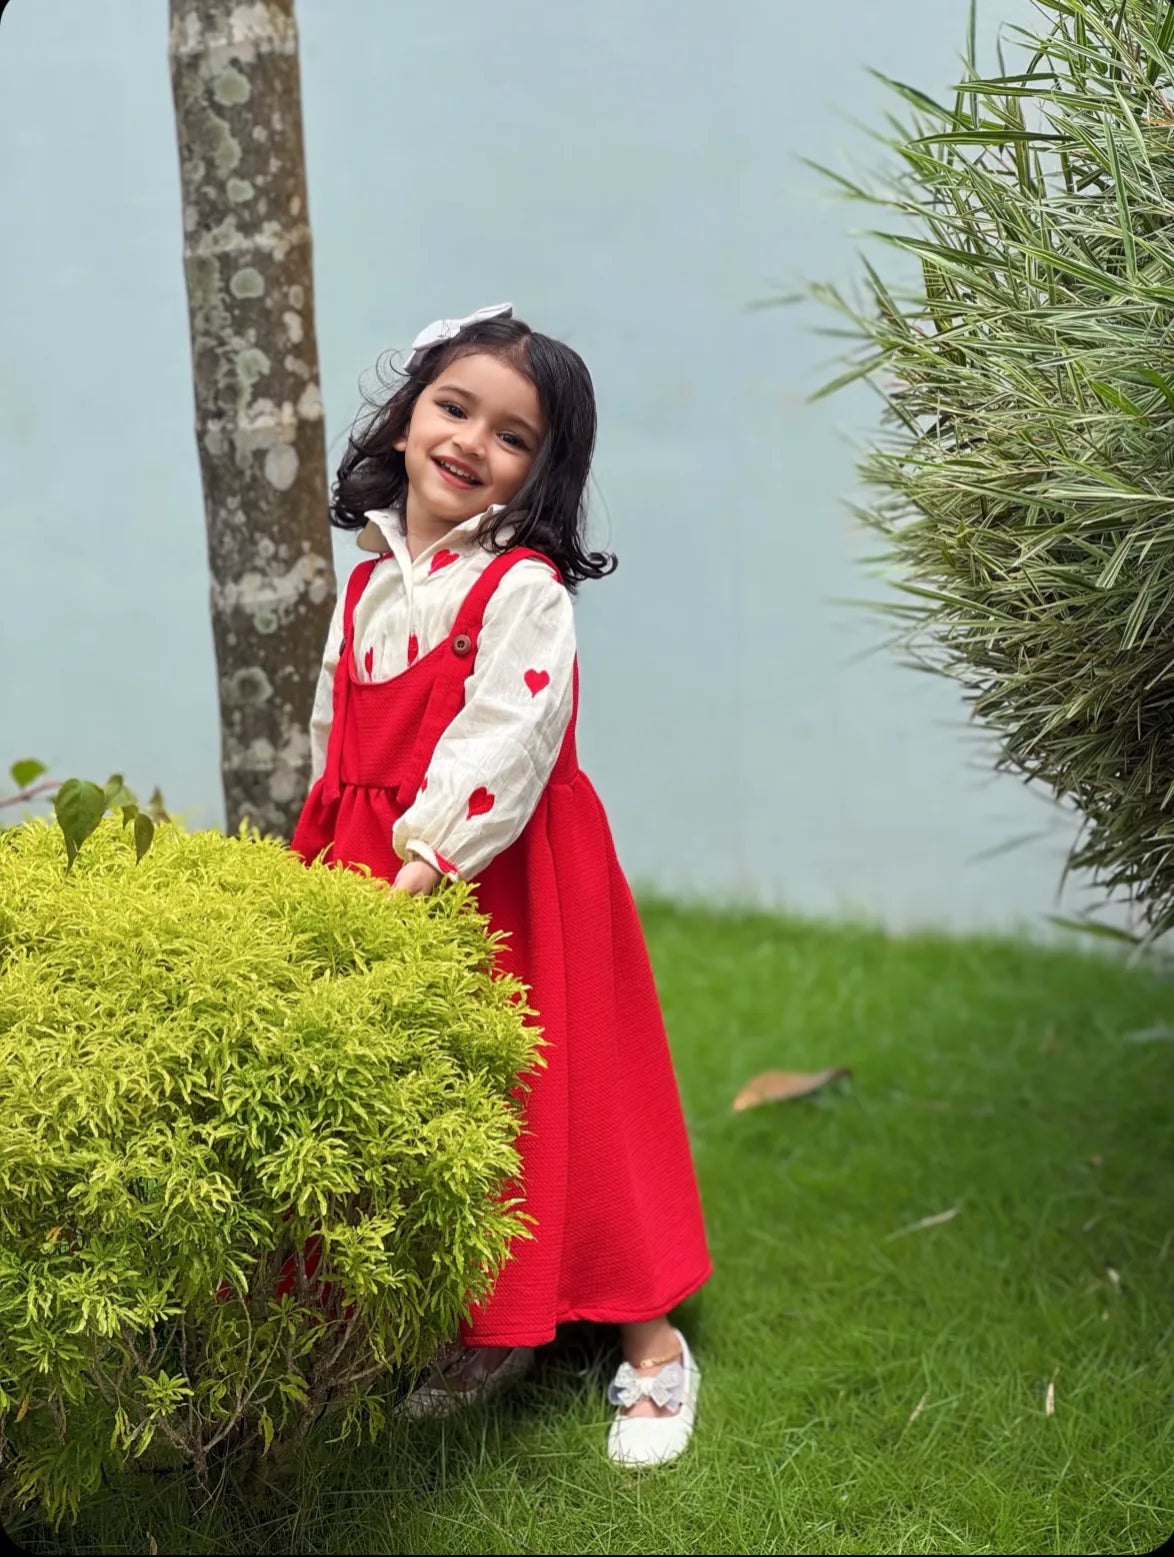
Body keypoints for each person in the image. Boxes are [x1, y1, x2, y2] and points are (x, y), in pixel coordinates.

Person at [292, 303, 711, 1467]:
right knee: (425, 1096)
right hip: (381, 868)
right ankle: (483, 1322)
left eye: (513, 435)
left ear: (543, 471)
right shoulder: (369, 585)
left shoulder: (519, 588)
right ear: (408, 417)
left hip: (503, 875)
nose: (471, 441)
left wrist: (420, 868)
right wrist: (330, 858)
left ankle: (649, 1341)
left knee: (558, 1086)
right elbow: (339, 733)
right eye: (453, 408)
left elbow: (505, 741)